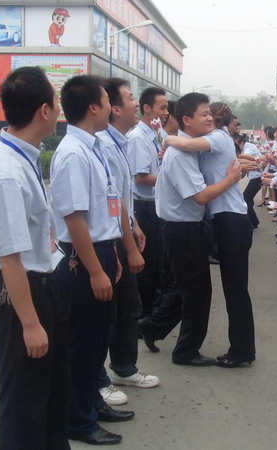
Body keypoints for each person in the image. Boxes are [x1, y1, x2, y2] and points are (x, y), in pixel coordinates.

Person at [0, 66, 69, 450]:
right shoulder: (6, 172)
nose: (59, 108)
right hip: (19, 297)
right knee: (23, 404)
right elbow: (10, 259)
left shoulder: (24, 155)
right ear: (44, 110)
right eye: (56, 100)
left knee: (50, 395)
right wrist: (30, 324)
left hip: (39, 286)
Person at [51, 75, 141, 446]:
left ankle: (91, 403)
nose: (111, 108)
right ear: (93, 107)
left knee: (98, 338)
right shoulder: (73, 152)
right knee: (83, 342)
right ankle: (78, 420)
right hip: (83, 257)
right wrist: (95, 270)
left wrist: (114, 252)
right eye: (106, 101)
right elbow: (74, 218)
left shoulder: (93, 146)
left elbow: (109, 202)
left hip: (102, 250)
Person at [162, 102, 256, 368]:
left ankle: (241, 350)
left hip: (231, 219)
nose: (207, 120)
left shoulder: (216, 137)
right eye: (202, 114)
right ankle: (242, 348)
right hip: (225, 219)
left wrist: (168, 139)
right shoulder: (212, 142)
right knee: (232, 288)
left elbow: (186, 144)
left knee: (235, 289)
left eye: (208, 115)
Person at [96, 78, 159, 405]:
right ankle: (98, 379)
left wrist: (134, 224)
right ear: (114, 109)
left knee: (128, 306)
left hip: (122, 231)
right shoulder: (104, 146)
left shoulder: (118, 142)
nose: (136, 104)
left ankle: (123, 367)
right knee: (105, 313)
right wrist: (128, 246)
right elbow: (108, 202)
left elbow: (122, 196)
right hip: (108, 239)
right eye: (130, 98)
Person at [127, 87, 169, 318]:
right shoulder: (137, 138)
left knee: (157, 264)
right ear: (147, 108)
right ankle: (143, 316)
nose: (166, 112)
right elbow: (141, 178)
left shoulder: (156, 133)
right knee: (147, 264)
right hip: (144, 207)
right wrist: (170, 179)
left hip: (156, 205)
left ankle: (152, 311)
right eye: (162, 107)